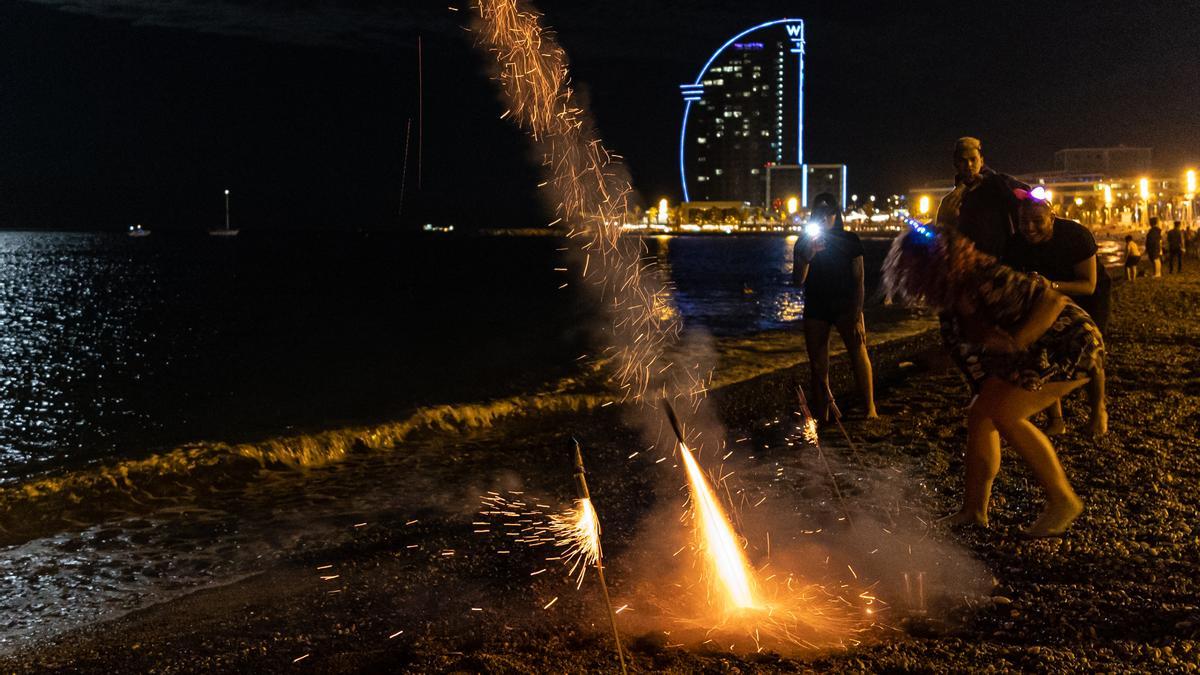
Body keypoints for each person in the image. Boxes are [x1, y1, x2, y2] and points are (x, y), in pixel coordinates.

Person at [883, 223, 1103, 537]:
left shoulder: (985, 277)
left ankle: (1063, 500)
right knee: (981, 413)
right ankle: (973, 510)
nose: (908, 275)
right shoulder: (953, 298)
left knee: (1006, 413)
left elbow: (1052, 301)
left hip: (1071, 343)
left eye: (913, 266)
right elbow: (975, 345)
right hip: (1036, 352)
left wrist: (1017, 341)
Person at [1005, 194, 1109, 436]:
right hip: (1045, 296)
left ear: (1052, 218)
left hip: (1088, 293)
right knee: (1041, 349)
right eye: (1023, 222)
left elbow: (1088, 284)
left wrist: (1051, 285)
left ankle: (1097, 411)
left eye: (1037, 221)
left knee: (1091, 349)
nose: (1029, 228)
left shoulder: (1076, 236)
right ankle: (1056, 420)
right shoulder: (1015, 244)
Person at [793, 192, 878, 422]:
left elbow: (859, 280)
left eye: (828, 213)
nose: (824, 218)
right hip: (816, 307)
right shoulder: (803, 242)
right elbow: (797, 281)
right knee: (818, 365)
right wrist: (807, 256)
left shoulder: (850, 240)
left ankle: (870, 408)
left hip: (845, 306)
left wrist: (858, 314)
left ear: (836, 214)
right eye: (819, 214)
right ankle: (823, 415)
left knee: (858, 352)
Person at [936, 137, 1030, 258]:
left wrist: (992, 182)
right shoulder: (950, 201)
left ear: (981, 161)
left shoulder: (1001, 182)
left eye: (973, 159)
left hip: (1002, 262)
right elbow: (941, 239)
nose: (968, 165)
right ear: (956, 164)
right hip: (968, 265)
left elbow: (1026, 202)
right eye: (963, 160)